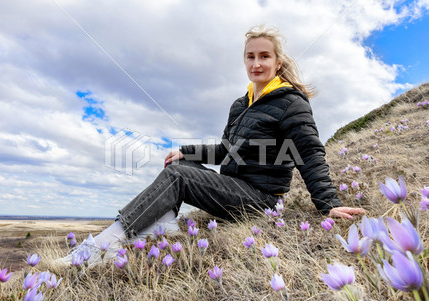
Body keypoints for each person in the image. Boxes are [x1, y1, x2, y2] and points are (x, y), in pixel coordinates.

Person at [58, 25, 364, 265]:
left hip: (263, 203)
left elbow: (309, 153)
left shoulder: (290, 102)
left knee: (179, 177)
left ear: (278, 62)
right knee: (179, 166)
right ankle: (161, 229)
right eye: (250, 56)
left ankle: (101, 246)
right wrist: (186, 152)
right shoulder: (241, 103)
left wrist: (329, 204)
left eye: (264, 56)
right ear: (244, 60)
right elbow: (226, 150)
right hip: (234, 189)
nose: (256, 63)